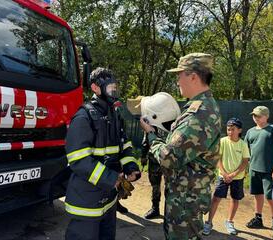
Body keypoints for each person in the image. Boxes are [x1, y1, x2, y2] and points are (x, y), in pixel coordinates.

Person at [140, 52, 221, 240]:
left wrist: (151, 135)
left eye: (180, 74)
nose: (177, 80)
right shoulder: (201, 107)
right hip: (186, 196)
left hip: (185, 201)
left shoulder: (198, 113)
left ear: (193, 76)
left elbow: (169, 158)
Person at [64, 67, 141, 240]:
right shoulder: (83, 117)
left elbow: (125, 145)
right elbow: (79, 160)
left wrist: (130, 165)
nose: (114, 90)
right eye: (110, 87)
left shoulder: (115, 115)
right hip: (87, 201)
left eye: (115, 87)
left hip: (109, 199)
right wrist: (111, 178)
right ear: (95, 88)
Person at [130, 92, 181, 219]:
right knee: (155, 185)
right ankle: (155, 208)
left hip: (168, 159)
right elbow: (146, 139)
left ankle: (170, 212)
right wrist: (143, 155)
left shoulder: (172, 123)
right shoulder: (151, 123)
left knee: (171, 186)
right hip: (154, 159)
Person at [202, 117, 250, 236]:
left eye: (233, 129)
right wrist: (224, 173)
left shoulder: (243, 144)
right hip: (223, 177)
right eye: (228, 129)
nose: (230, 132)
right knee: (216, 198)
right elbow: (218, 158)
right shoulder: (222, 141)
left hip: (237, 178)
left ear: (240, 130)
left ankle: (229, 222)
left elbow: (245, 161)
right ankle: (209, 222)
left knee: (235, 199)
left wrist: (233, 174)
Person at [245, 106, 273, 240]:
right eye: (254, 115)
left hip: (270, 172)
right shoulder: (250, 132)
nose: (256, 118)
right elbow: (247, 152)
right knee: (257, 195)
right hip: (254, 170)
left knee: (271, 197)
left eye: (259, 115)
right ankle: (258, 218)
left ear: (266, 116)